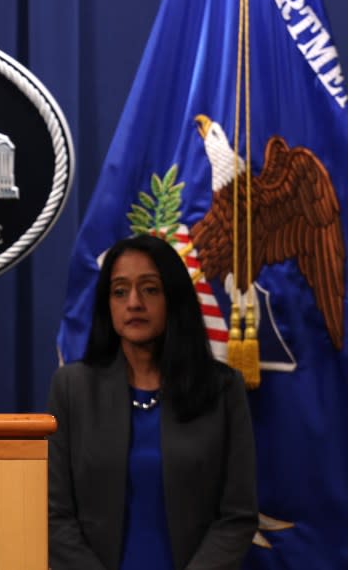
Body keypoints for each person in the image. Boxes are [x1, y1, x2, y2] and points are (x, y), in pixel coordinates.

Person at [48, 234, 257, 569]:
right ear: (108, 305)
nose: (133, 302)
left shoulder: (222, 389)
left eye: (149, 289)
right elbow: (53, 516)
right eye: (119, 291)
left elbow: (237, 517)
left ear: (173, 298)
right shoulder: (72, 389)